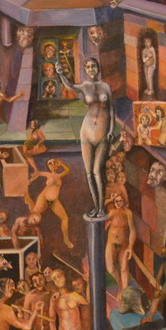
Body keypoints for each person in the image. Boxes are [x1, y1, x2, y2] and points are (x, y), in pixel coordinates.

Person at [56, 58, 116, 218]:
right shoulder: (84, 86)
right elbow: (70, 86)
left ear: (98, 68)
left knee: (97, 171)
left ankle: (102, 208)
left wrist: (111, 130)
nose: (91, 69)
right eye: (88, 67)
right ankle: (96, 207)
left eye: (93, 66)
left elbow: (111, 110)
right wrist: (60, 74)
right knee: (89, 173)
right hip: (86, 132)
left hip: (102, 133)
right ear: (85, 70)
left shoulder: (105, 87)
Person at [104, 192, 135, 289]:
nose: (118, 203)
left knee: (124, 268)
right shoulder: (112, 212)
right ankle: (120, 286)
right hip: (111, 242)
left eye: (120, 201)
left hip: (123, 243)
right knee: (111, 268)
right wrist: (109, 200)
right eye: (116, 201)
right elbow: (100, 213)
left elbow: (132, 230)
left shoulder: (128, 213)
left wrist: (130, 246)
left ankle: (125, 291)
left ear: (124, 201)